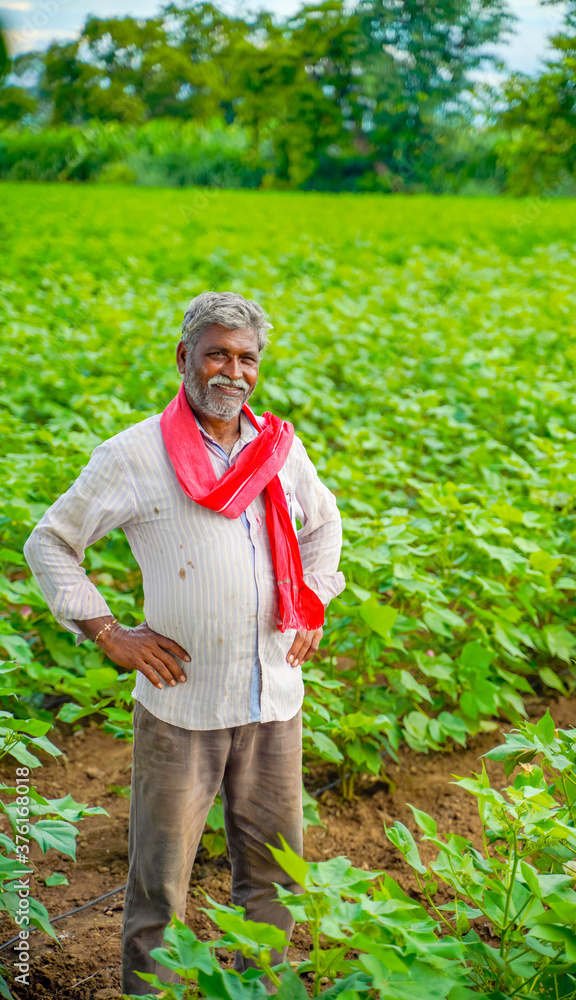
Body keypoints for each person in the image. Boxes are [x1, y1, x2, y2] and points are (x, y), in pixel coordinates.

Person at [23, 291, 345, 995]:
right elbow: (50, 542)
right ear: (184, 359)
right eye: (218, 354)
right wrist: (107, 630)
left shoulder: (278, 451)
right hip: (182, 707)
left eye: (246, 357)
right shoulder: (135, 455)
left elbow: (323, 526)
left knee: (273, 878)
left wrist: (311, 603)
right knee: (159, 888)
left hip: (272, 701)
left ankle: (259, 989)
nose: (233, 371)